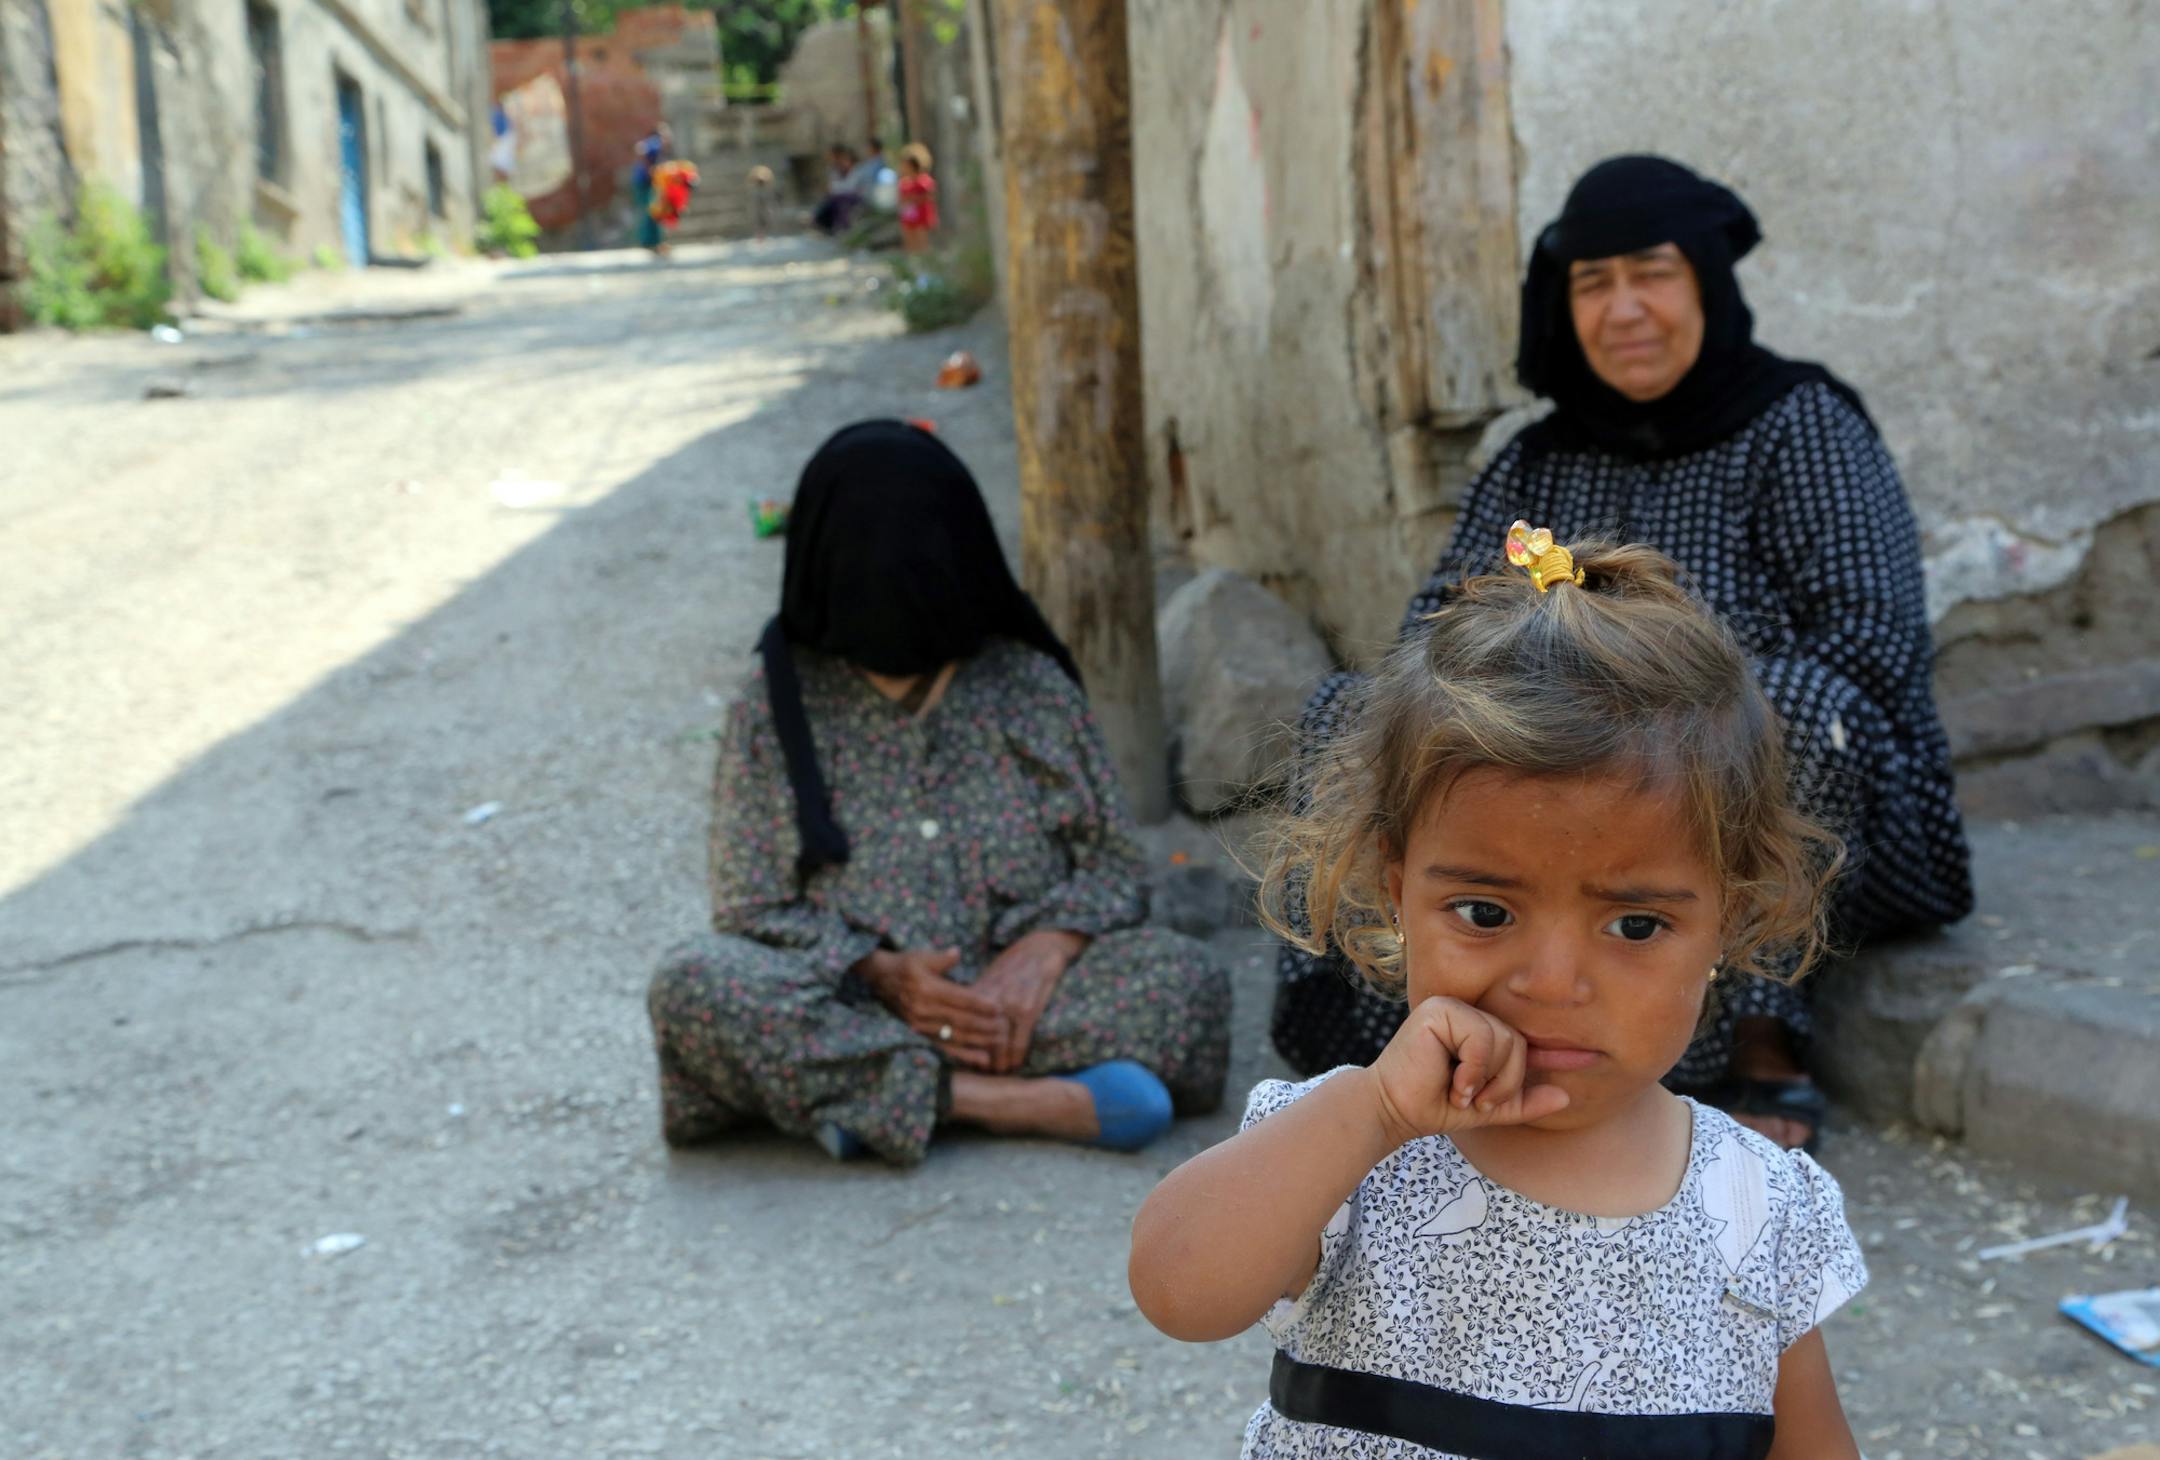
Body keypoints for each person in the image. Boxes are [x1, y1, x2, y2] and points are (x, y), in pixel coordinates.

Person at [1271, 154, 1974, 1151]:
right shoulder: (1538, 455)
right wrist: (1543, 684)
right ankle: (1390, 1047)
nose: (1625, 308)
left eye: (1652, 274)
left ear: (1706, 284)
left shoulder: (1801, 425)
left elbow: (1874, 644)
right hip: (1559, 777)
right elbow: (1431, 628)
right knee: (1352, 708)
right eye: (1593, 283)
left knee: (1785, 710)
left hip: (1773, 786)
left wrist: (1672, 687)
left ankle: (1756, 1049)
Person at [1131, 530, 1868, 1457]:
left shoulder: (1762, 1208)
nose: (1550, 982)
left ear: (1731, 917)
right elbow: (1176, 1288)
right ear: (1397, 887)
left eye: (1635, 925)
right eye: (1484, 911)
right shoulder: (1353, 1152)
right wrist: (1372, 1113)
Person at [646, 420, 1232, 1165]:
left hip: (1027, 1006)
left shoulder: (1027, 685)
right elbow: (749, 904)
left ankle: (856, 1100)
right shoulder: (776, 705)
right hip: (857, 1003)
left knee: (1187, 981)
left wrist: (1047, 950)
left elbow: (1115, 866)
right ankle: (1002, 1102)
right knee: (696, 986)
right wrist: (881, 975)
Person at [897, 143, 938, 254]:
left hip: (921, 218)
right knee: (910, 244)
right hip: (909, 218)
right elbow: (901, 199)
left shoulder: (924, 181)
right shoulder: (904, 183)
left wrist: (912, 199)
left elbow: (927, 197)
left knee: (922, 244)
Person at [631, 131, 668, 253]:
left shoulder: (658, 147)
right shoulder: (655, 143)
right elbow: (640, 149)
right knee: (651, 211)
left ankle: (654, 242)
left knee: (653, 211)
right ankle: (650, 242)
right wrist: (649, 170)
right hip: (644, 182)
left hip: (647, 182)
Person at [811, 144, 858, 235]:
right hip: (838, 196)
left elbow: (850, 186)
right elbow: (832, 186)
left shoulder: (856, 171)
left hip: (850, 196)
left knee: (833, 202)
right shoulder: (836, 171)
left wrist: (834, 189)